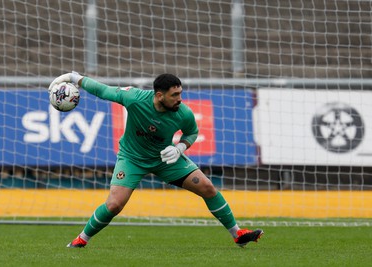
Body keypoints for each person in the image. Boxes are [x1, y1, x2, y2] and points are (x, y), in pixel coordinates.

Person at [48, 72, 263, 248]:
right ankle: (81, 240)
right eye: (175, 95)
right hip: (132, 158)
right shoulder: (134, 99)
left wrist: (180, 148)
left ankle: (237, 234)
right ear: (159, 96)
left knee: (207, 187)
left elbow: (192, 132)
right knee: (114, 204)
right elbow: (104, 91)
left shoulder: (183, 113)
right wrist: (74, 77)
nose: (180, 99)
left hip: (164, 159)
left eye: (180, 93)